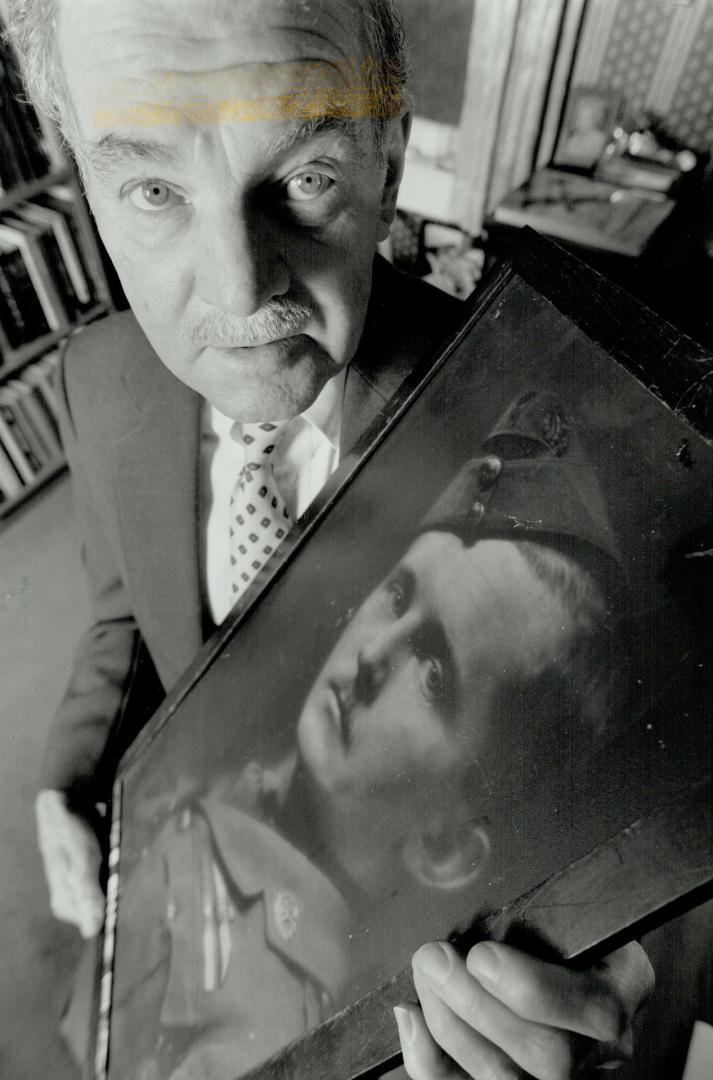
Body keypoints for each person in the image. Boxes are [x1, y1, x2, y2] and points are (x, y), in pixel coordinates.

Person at [5, 3, 653, 1078]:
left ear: (386, 160)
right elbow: (123, 614)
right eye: (153, 189)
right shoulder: (100, 379)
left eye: (304, 177)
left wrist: (591, 964)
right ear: (83, 183)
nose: (235, 294)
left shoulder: (546, 434)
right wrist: (65, 782)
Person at [105, 389, 626, 1080]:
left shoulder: (282, 1010)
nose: (374, 656)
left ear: (444, 846)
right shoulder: (238, 777)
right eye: (399, 596)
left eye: (434, 674)